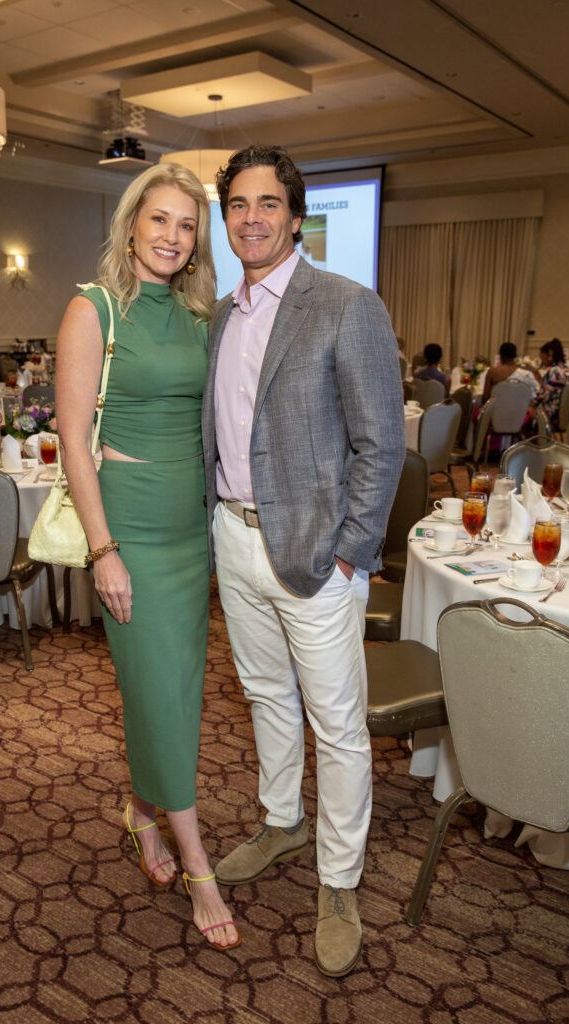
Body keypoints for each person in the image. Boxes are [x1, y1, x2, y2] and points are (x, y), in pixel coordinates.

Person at [201, 145, 405, 977]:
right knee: (261, 695)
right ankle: (281, 821)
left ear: (294, 215)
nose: (251, 218)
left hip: (319, 555)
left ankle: (339, 878)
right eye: (238, 205)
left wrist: (352, 552)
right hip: (232, 537)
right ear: (228, 219)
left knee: (338, 724)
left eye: (266, 204)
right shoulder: (221, 314)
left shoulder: (346, 305)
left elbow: (380, 444)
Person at [55, 163, 239, 952]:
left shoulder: (199, 317)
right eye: (158, 219)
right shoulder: (92, 310)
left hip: (187, 532)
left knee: (175, 692)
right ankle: (197, 862)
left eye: (186, 224)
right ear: (131, 225)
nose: (171, 235)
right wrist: (103, 551)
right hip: (127, 530)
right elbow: (70, 438)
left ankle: (139, 811)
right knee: (159, 693)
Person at [529, 338, 569, 431]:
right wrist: (541, 380)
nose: (542, 361)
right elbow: (556, 390)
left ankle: (533, 442)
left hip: (551, 413)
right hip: (565, 414)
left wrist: (530, 401)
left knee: (523, 411)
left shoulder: (554, 371)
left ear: (549, 354)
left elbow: (545, 397)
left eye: (542, 357)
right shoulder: (567, 369)